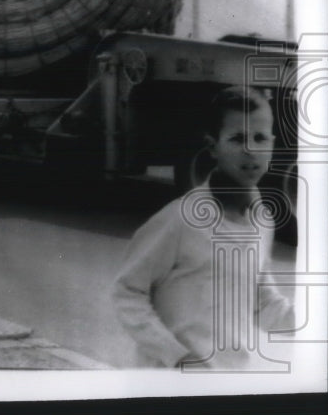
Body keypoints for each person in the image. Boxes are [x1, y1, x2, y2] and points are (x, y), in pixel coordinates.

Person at [112, 87, 295, 369]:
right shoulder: (180, 219)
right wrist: (178, 357)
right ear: (212, 146)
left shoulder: (262, 220)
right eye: (237, 139)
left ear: (272, 144)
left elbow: (263, 302)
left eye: (260, 138)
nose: (250, 150)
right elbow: (127, 291)